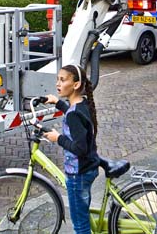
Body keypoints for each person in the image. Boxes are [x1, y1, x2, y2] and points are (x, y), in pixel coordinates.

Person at [42, 65, 100, 234]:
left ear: (75, 85)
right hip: (88, 168)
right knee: (83, 214)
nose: (58, 84)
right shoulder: (82, 104)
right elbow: (76, 117)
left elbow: (79, 148)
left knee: (81, 226)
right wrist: (58, 103)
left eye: (63, 80)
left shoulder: (74, 114)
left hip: (78, 174)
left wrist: (58, 138)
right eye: (57, 79)